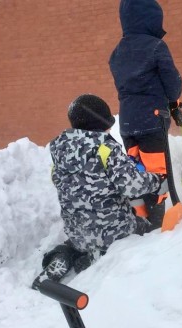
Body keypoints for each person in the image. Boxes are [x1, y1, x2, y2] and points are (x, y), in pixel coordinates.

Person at [32, 94, 167, 290]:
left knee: (77, 242)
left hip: (77, 230)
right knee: (146, 229)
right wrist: (155, 181)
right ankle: (99, 256)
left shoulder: (59, 149)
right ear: (101, 122)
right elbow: (132, 185)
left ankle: (63, 256)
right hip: (113, 230)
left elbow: (56, 180)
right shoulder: (105, 148)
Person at [109, 0, 182, 229]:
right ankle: (157, 223)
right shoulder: (155, 46)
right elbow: (172, 86)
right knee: (157, 173)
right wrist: (172, 101)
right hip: (152, 121)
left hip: (128, 123)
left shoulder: (117, 51)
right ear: (151, 18)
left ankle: (139, 218)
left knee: (136, 171)